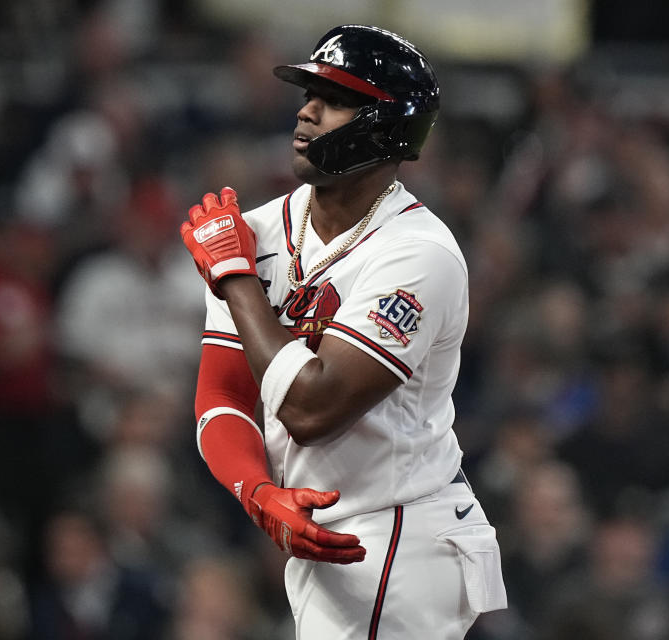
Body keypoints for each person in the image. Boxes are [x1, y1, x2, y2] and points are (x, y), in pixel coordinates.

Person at [179, 24, 507, 639]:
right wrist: (256, 492)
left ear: (383, 124)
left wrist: (235, 278)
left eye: (333, 98)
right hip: (329, 529)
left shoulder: (419, 252)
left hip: (399, 535)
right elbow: (221, 396)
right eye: (309, 94)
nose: (306, 110)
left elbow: (312, 407)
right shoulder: (256, 230)